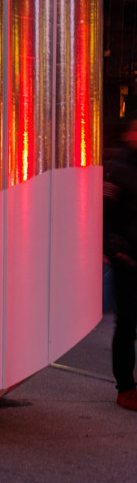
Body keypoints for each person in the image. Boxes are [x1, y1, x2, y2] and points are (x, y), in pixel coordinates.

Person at [103, 120, 137, 411]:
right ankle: (125, 387)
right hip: (127, 260)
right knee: (127, 323)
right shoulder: (116, 168)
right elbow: (103, 212)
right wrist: (116, 252)